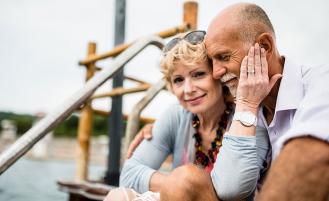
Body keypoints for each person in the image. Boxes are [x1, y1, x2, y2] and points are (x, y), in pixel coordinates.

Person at [156, 2, 329, 201]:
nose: (216, 72)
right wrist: (246, 106)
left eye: (224, 57)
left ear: (264, 47)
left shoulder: (322, 83)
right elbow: (228, 187)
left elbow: (313, 160)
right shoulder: (246, 104)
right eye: (212, 61)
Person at [104, 30, 272, 201]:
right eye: (178, 80)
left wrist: (184, 185)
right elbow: (129, 174)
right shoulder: (176, 116)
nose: (188, 89)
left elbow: (233, 189)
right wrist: (179, 187)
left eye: (198, 74)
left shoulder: (247, 118)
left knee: (185, 177)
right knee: (117, 196)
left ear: (218, 75)